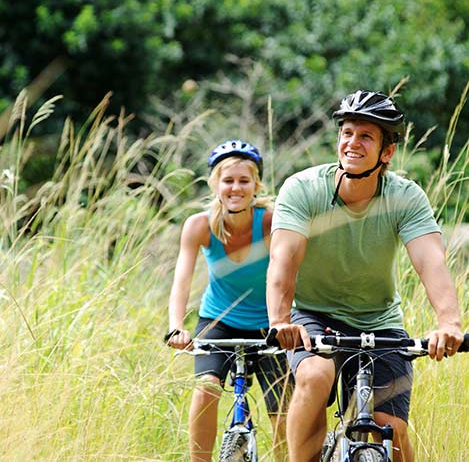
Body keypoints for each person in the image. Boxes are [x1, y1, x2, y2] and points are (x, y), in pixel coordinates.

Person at [266, 90, 464, 462]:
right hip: (313, 317)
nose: (352, 142)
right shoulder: (303, 189)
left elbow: (430, 261)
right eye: (347, 132)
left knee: (393, 430)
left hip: (379, 323)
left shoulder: (405, 197)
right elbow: (283, 260)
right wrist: (280, 320)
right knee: (314, 376)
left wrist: (449, 323)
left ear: (386, 153)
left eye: (366, 136)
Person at [166, 139, 291, 462]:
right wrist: (176, 327)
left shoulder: (270, 222)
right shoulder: (199, 225)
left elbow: (292, 271)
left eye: (244, 181)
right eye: (228, 180)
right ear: (215, 184)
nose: (236, 188)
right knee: (206, 388)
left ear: (256, 185)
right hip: (219, 321)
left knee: (283, 409)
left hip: (270, 323)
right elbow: (181, 280)